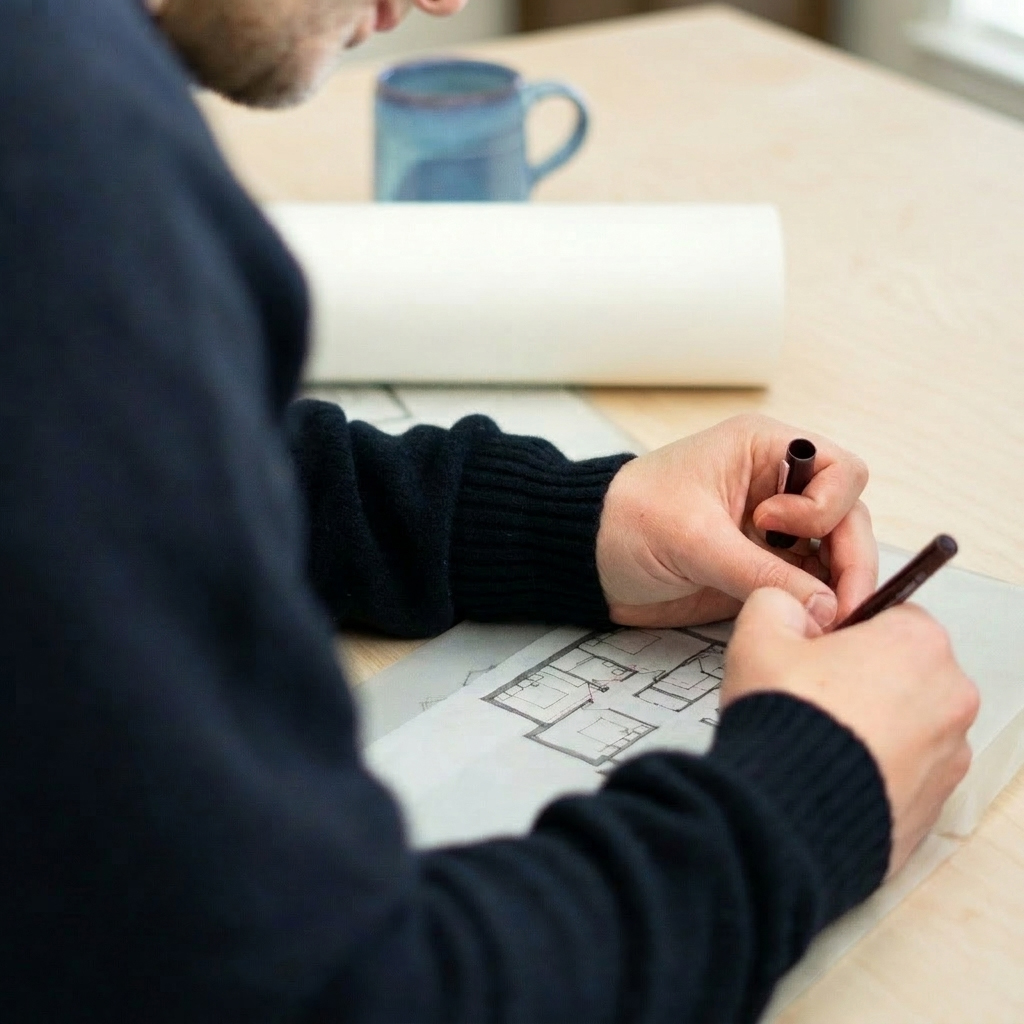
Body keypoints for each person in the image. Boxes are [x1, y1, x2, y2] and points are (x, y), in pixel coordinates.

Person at [5, 1, 979, 1021]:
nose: (439, 3)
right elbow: (337, 992)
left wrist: (561, 522)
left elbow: (92, 446)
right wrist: (798, 803)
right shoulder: (60, 154)